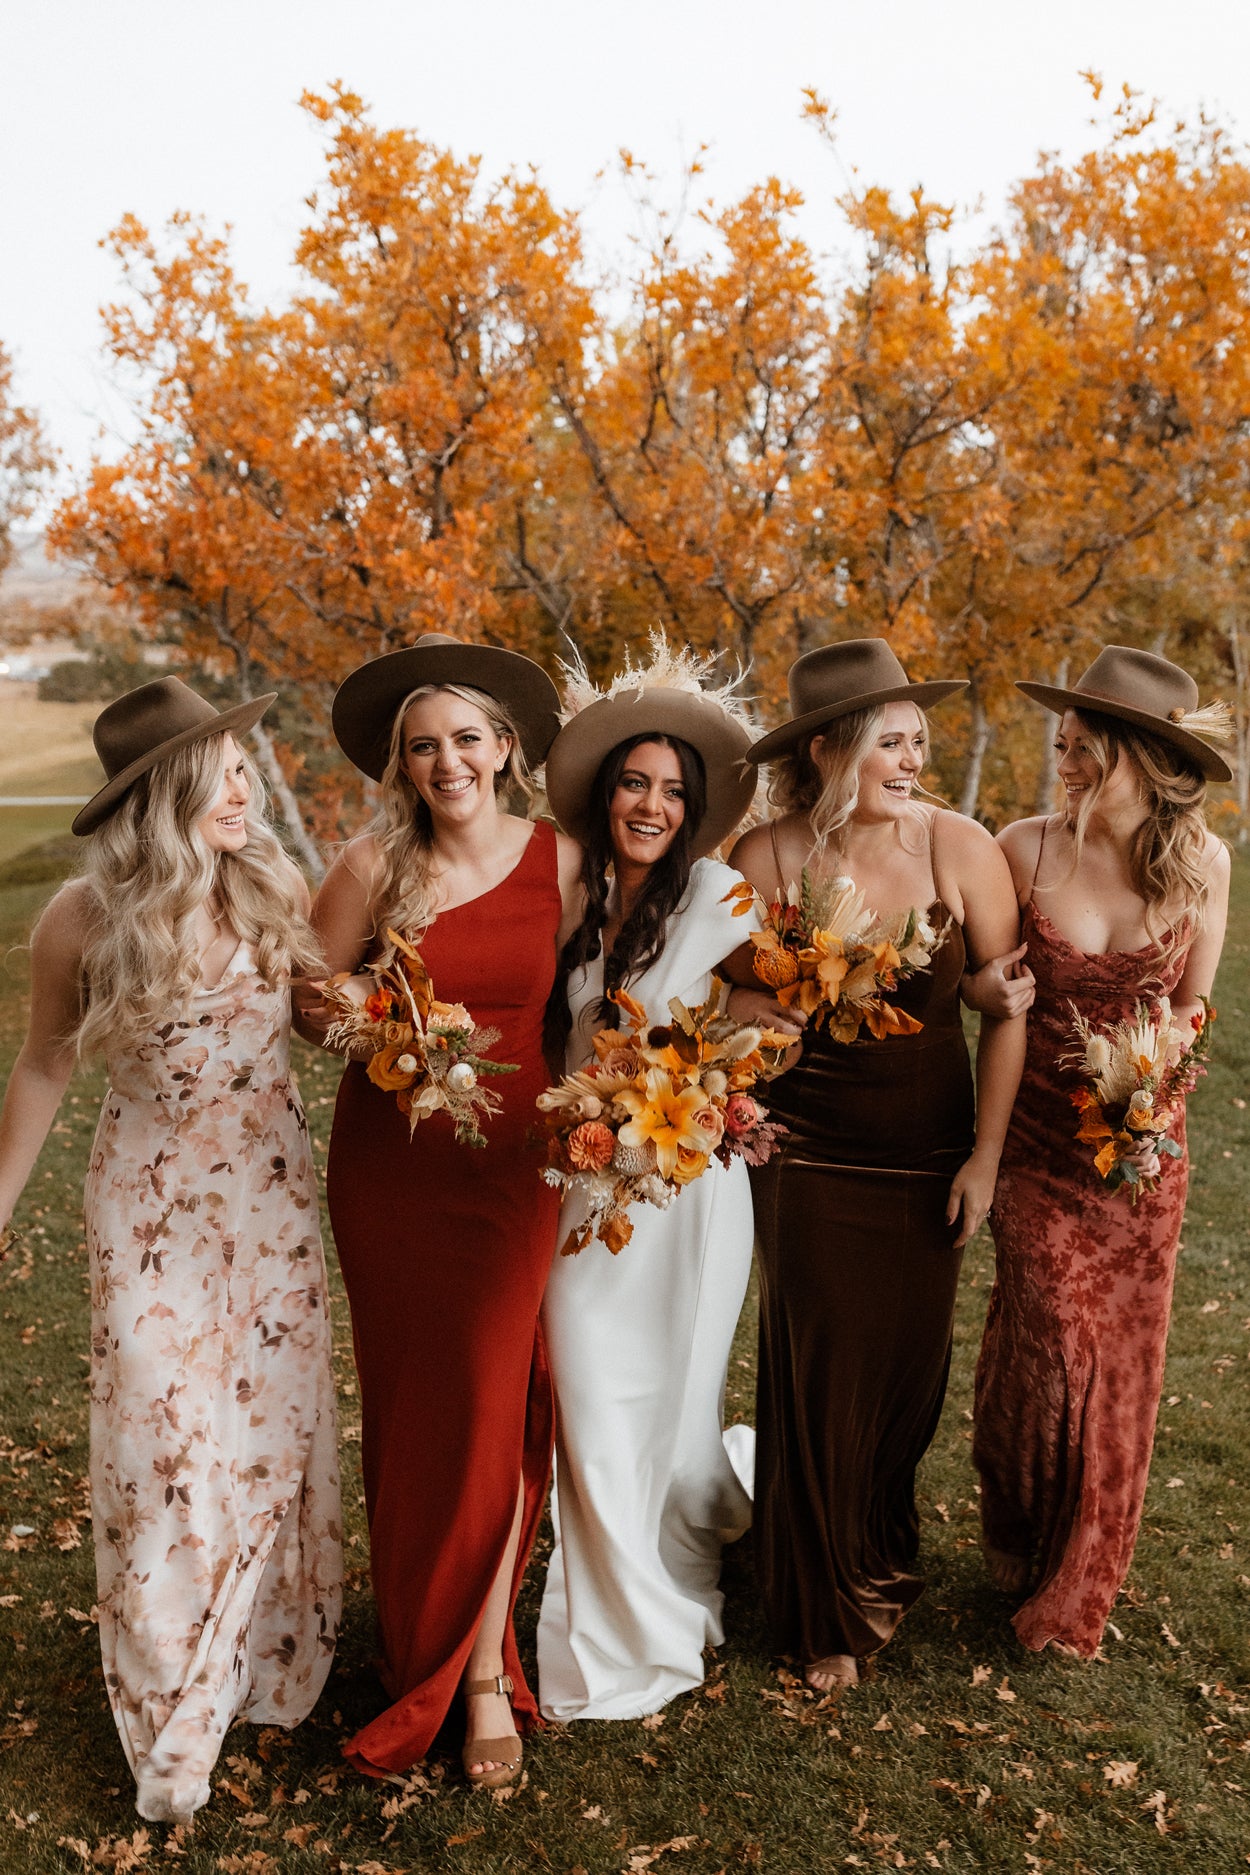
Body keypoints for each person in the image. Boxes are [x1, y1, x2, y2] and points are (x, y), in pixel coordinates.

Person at [0, 678, 342, 1825]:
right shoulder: (81, 922)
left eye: (245, 770)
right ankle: (170, 1701)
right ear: (164, 796)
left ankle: (259, 1649)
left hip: (268, 1198)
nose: (242, 790)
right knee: (164, 1451)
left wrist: (369, 1017)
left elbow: (312, 1019)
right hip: (147, 1211)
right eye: (220, 777)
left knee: (266, 1431)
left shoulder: (274, 886)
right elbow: (45, 1067)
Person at [301, 633, 581, 1787]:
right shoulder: (374, 867)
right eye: (424, 748)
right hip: (395, 1173)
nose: (447, 762)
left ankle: (476, 1679)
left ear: (506, 749)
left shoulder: (565, 861)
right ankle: (431, 1645)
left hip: (513, 1171)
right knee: (421, 1418)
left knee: (494, 1406)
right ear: (402, 766)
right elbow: (308, 1004)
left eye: (466, 739)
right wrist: (369, 1015)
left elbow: (599, 1001)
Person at [727, 637, 1026, 1693]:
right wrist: (761, 1019)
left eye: (915, 740)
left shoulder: (958, 847)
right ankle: (819, 1606)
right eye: (884, 742)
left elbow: (1005, 1008)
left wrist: (984, 1159)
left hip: (927, 1149)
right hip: (804, 1153)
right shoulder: (763, 858)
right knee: (817, 1368)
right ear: (823, 753)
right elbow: (723, 1001)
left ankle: (872, 1547)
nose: (907, 759)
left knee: (904, 1376)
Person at [967, 646, 1231, 1658]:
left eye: (1084, 738)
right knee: (1043, 1335)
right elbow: (978, 987)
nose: (1063, 748)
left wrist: (1152, 1092)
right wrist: (984, 998)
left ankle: (1075, 1573)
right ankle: (1017, 1511)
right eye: (1062, 732)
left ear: (1138, 753)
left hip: (1136, 1145)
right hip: (1032, 1136)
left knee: (1118, 1364)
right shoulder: (1019, 846)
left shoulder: (1200, 862)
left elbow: (1192, 1005)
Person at [534, 645, 760, 1721]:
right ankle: (606, 1615)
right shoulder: (568, 891)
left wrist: (728, 1079)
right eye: (634, 783)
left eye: (673, 791)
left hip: (684, 1191)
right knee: (586, 1387)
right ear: (602, 792)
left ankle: (664, 1579)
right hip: (580, 1193)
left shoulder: (719, 895)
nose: (652, 805)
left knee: (670, 1409)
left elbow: (784, 1020)